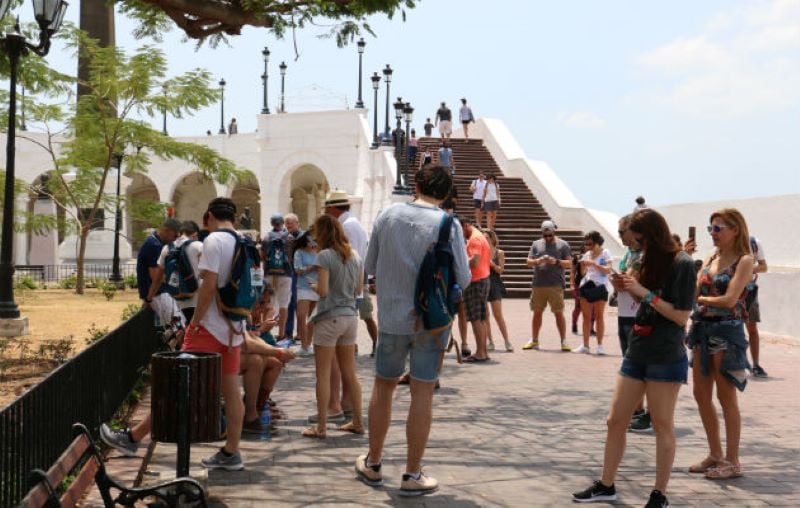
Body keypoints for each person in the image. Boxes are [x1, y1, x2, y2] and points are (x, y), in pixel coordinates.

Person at [355, 164, 470, 496]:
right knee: (422, 393)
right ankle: (412, 473)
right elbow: (462, 277)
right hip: (431, 323)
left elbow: (370, 266)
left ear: (416, 184)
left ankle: (374, 463)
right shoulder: (449, 224)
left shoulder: (388, 215)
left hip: (391, 319)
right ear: (446, 193)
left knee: (383, 387)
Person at [573, 208, 696, 507]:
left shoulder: (683, 263)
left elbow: (680, 316)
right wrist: (626, 289)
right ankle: (606, 484)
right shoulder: (644, 259)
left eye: (629, 236)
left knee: (662, 424)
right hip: (638, 348)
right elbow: (647, 301)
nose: (627, 242)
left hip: (665, 354)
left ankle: (659, 495)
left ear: (646, 233)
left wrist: (644, 292)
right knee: (615, 420)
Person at [686, 208, 754, 480]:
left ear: (735, 229)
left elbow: (729, 299)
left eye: (718, 228)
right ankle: (715, 453)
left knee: (726, 398)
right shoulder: (710, 258)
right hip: (701, 330)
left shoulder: (744, 260)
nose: (712, 234)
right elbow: (692, 291)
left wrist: (700, 302)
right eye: (710, 229)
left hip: (727, 332)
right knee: (701, 395)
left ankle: (733, 460)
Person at [184, 198, 249, 470]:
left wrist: (194, 322)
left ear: (208, 215)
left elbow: (208, 287)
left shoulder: (213, 241)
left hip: (209, 326)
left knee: (177, 383)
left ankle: (132, 437)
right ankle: (232, 450)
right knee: (232, 392)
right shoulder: (243, 241)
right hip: (233, 327)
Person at [303, 215, 365, 438]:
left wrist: (316, 285)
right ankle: (358, 420)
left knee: (323, 374)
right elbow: (359, 288)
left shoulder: (325, 256)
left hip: (330, 317)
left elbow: (324, 291)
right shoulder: (355, 255)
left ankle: (321, 425)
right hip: (350, 316)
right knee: (350, 372)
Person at [615, 215, 650, 432]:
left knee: (643, 364)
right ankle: (638, 409)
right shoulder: (629, 255)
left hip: (641, 313)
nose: (620, 236)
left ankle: (649, 413)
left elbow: (636, 281)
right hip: (624, 312)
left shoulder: (647, 256)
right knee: (630, 361)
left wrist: (626, 280)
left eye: (622, 232)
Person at [523, 220, 572, 352]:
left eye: (550, 235)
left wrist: (556, 261)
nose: (548, 238)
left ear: (554, 232)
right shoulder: (536, 244)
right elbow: (528, 262)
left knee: (558, 313)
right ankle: (534, 340)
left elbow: (569, 263)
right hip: (539, 283)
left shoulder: (563, 244)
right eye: (545, 236)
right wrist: (537, 261)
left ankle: (564, 340)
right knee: (537, 312)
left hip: (555, 284)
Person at [574, 231, 612, 355]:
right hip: (587, 286)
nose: (587, 247)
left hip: (600, 287)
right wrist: (583, 265)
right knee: (586, 317)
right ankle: (585, 345)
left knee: (599, 316)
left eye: (590, 244)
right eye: (586, 244)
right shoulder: (587, 254)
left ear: (597, 243)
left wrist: (594, 264)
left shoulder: (605, 253)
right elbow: (584, 273)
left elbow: (608, 270)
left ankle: (600, 346)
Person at [461, 218, 492, 362]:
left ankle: (480, 352)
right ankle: (483, 351)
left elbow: (475, 261)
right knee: (481, 318)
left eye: (461, 229)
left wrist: (459, 261)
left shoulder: (474, 239)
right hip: (483, 279)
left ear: (466, 225)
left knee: (476, 319)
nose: (461, 234)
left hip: (476, 281)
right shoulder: (481, 237)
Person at [262, 214, 293, 340]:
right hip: (285, 273)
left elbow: (263, 256)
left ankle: (266, 332)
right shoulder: (289, 237)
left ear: (271, 223)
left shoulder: (267, 237)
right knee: (284, 304)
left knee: (270, 302)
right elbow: (291, 256)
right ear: (282, 223)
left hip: (270, 273)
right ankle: (281, 333)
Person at [485, 229, 512, 352]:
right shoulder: (481, 251)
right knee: (485, 316)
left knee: (498, 315)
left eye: (487, 238)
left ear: (492, 238)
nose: (484, 240)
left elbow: (501, 270)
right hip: (482, 283)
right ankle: (490, 342)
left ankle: (507, 341)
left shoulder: (499, 252)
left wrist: (492, 265)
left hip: (495, 283)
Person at [746, 235, 768, 377]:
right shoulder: (726, 241)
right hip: (728, 290)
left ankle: (756, 364)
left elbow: (764, 266)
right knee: (729, 327)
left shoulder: (754, 242)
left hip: (749, 291)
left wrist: (747, 270)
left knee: (752, 328)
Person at [293, 231, 318, 357]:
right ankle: (304, 345)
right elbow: (298, 270)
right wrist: (312, 267)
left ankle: (309, 344)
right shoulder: (299, 252)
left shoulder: (318, 252)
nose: (314, 243)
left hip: (316, 287)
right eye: (311, 240)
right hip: (303, 287)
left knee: (312, 318)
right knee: (301, 316)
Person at [283, 213, 303, 342]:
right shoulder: (285, 237)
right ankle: (288, 332)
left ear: (297, 223)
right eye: (286, 223)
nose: (288, 225)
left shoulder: (305, 237)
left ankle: (301, 332)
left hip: (301, 274)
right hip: (289, 273)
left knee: (300, 304)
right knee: (289, 303)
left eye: (290, 223)